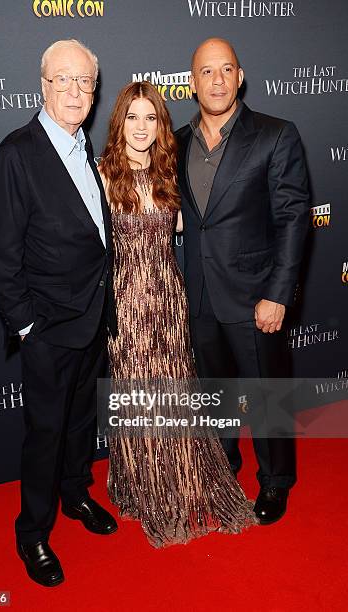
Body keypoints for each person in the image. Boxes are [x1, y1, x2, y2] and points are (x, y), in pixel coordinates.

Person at [99, 81, 257, 548]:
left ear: (161, 124)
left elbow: (208, 221)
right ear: (119, 122)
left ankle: (184, 477)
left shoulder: (173, 173)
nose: (142, 127)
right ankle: (145, 485)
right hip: (127, 302)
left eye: (151, 117)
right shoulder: (102, 173)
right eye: (133, 117)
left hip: (169, 299)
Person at [0, 39, 118, 587]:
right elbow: (5, 254)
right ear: (42, 86)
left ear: (93, 91)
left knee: (82, 425)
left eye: (83, 82)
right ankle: (32, 533)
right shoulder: (17, 153)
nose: (74, 91)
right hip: (48, 328)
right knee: (45, 433)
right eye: (62, 80)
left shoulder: (86, 146)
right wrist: (27, 326)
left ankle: (75, 496)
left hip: (93, 320)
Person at [176, 38, 310, 525]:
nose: (216, 80)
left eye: (225, 69)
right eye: (206, 72)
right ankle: (224, 465)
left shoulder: (276, 134)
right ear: (192, 83)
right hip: (199, 296)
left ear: (240, 76)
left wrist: (278, 294)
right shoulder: (177, 141)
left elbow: (294, 218)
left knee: (268, 392)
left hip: (256, 296)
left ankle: (275, 482)